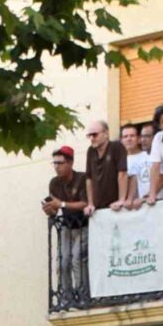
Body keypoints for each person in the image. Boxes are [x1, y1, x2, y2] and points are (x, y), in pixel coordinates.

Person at [42, 145, 90, 300]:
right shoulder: (54, 183)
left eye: (60, 163)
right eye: (54, 163)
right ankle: (67, 298)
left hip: (83, 225)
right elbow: (55, 210)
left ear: (70, 163)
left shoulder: (82, 178)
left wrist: (61, 204)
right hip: (67, 227)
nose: (57, 167)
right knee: (63, 263)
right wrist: (49, 209)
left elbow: (85, 203)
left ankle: (83, 296)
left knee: (77, 258)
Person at [82, 121, 122, 214]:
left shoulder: (116, 147)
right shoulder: (91, 151)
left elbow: (123, 173)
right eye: (89, 136)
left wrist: (121, 200)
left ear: (106, 134)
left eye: (95, 135)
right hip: (97, 208)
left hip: (115, 206)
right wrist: (90, 204)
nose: (92, 138)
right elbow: (89, 178)